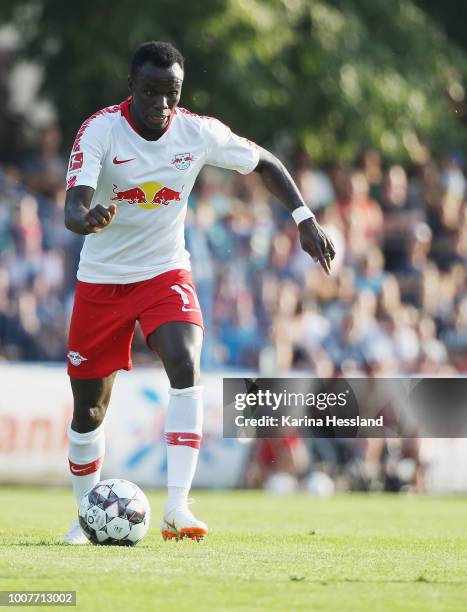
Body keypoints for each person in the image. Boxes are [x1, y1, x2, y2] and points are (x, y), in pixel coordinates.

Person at [63, 41, 336, 544]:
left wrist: (304, 218)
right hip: (101, 279)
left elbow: (266, 163)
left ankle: (177, 506)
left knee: (186, 364)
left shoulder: (197, 132)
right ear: (131, 88)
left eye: (171, 93)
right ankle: (85, 517)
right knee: (89, 411)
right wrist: (88, 218)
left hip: (165, 271)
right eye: (150, 92)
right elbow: (73, 207)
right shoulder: (100, 129)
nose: (161, 104)